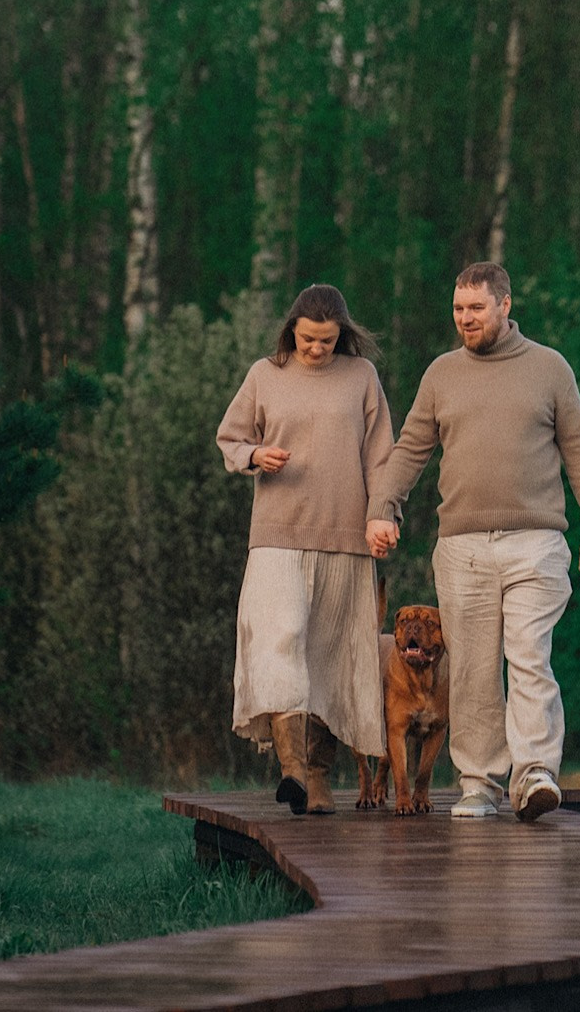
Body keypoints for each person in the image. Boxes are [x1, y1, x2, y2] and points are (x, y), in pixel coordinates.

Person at [366, 262, 580, 823]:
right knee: (473, 669)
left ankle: (535, 775)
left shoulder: (550, 369)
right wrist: (384, 508)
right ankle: (478, 783)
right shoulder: (441, 374)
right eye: (458, 310)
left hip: (537, 541)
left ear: (504, 304)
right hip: (463, 545)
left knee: (528, 655)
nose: (465, 319)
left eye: (476, 309)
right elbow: (410, 449)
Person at [217, 284, 395, 815]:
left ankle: (318, 778)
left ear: (343, 335)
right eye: (309, 338)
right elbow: (229, 439)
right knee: (280, 641)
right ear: (292, 328)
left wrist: (382, 515)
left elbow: (382, 457)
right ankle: (290, 769)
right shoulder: (263, 374)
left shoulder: (361, 377)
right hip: (277, 534)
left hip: (346, 536)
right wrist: (255, 456)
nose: (317, 348)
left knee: (332, 656)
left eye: (328, 340)